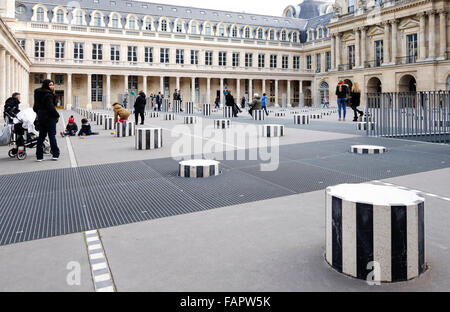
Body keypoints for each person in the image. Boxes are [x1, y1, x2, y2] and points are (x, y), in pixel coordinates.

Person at [33, 79, 60, 161]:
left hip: (41, 119)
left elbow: (35, 108)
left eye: (52, 84)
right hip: (50, 118)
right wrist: (57, 115)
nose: (52, 86)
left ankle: (39, 156)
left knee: (41, 137)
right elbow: (51, 108)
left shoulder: (37, 94)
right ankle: (55, 154)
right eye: (50, 85)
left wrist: (40, 113)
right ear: (46, 85)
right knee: (52, 136)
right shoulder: (48, 95)